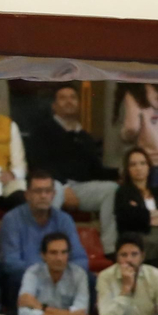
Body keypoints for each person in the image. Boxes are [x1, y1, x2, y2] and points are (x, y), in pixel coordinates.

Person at [0, 173, 88, 315]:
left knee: (88, 277)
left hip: (59, 274)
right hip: (26, 275)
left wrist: (60, 271)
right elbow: (10, 261)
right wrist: (44, 272)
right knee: (15, 277)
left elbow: (80, 258)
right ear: (27, 195)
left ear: (54, 194)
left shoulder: (64, 220)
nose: (43, 196)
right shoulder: (12, 219)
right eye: (38, 191)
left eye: (47, 191)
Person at [27, 84, 118, 220]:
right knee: (53, 189)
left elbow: (96, 170)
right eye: (63, 98)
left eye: (73, 98)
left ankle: (109, 235)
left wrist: (119, 173)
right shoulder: (42, 131)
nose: (69, 101)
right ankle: (44, 232)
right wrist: (64, 187)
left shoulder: (85, 137)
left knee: (112, 189)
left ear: (78, 104)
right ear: (54, 106)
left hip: (81, 189)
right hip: (54, 184)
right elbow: (40, 164)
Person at [111, 149, 158, 275]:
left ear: (149, 167)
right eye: (133, 164)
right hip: (140, 238)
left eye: (142, 163)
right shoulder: (123, 192)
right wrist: (149, 217)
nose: (138, 168)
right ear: (128, 169)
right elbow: (126, 219)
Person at [116, 83, 158, 194]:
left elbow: (132, 127)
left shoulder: (133, 94)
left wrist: (124, 137)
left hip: (151, 155)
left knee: (149, 196)